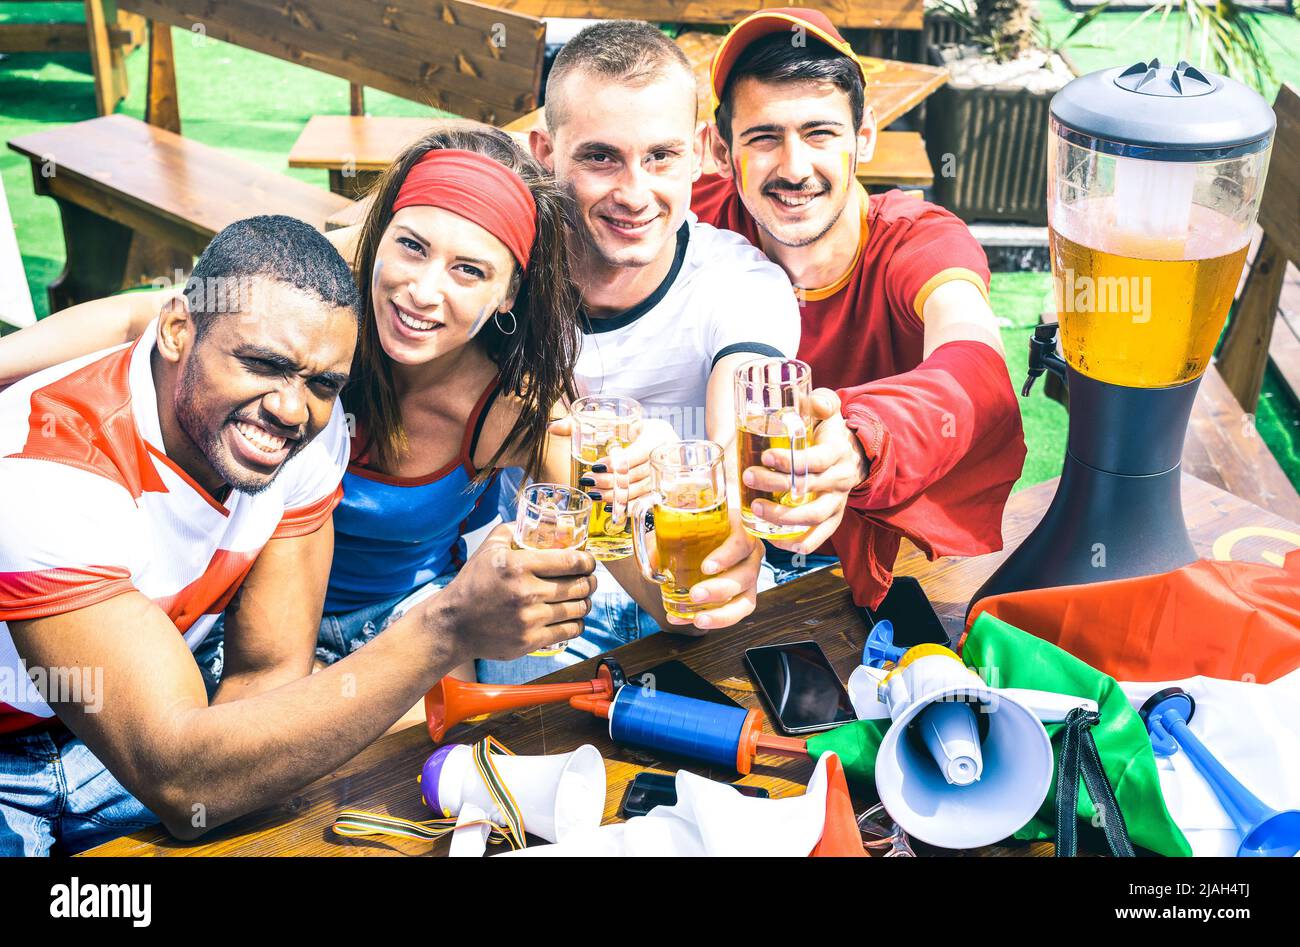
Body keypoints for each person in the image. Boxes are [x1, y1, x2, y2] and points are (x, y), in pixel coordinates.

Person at [0, 216, 597, 855]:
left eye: (321, 384)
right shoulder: (46, 473)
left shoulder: (307, 432)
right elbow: (182, 782)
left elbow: (267, 673)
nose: (290, 409)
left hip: (150, 722)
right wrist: (446, 624)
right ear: (178, 330)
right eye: (261, 363)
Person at [478, 19, 827, 683]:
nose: (635, 193)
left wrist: (699, 484)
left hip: (694, 561)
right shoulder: (503, 278)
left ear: (700, 150)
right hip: (552, 587)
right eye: (601, 157)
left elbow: (741, 423)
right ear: (546, 151)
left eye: (661, 157)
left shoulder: (743, 282)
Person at [691, 7, 1028, 607]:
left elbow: (975, 365)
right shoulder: (691, 218)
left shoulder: (918, 239)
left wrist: (859, 439)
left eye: (819, 132)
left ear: (864, 137)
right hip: (710, 547)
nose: (794, 168)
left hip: (868, 573)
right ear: (721, 151)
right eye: (764, 138)